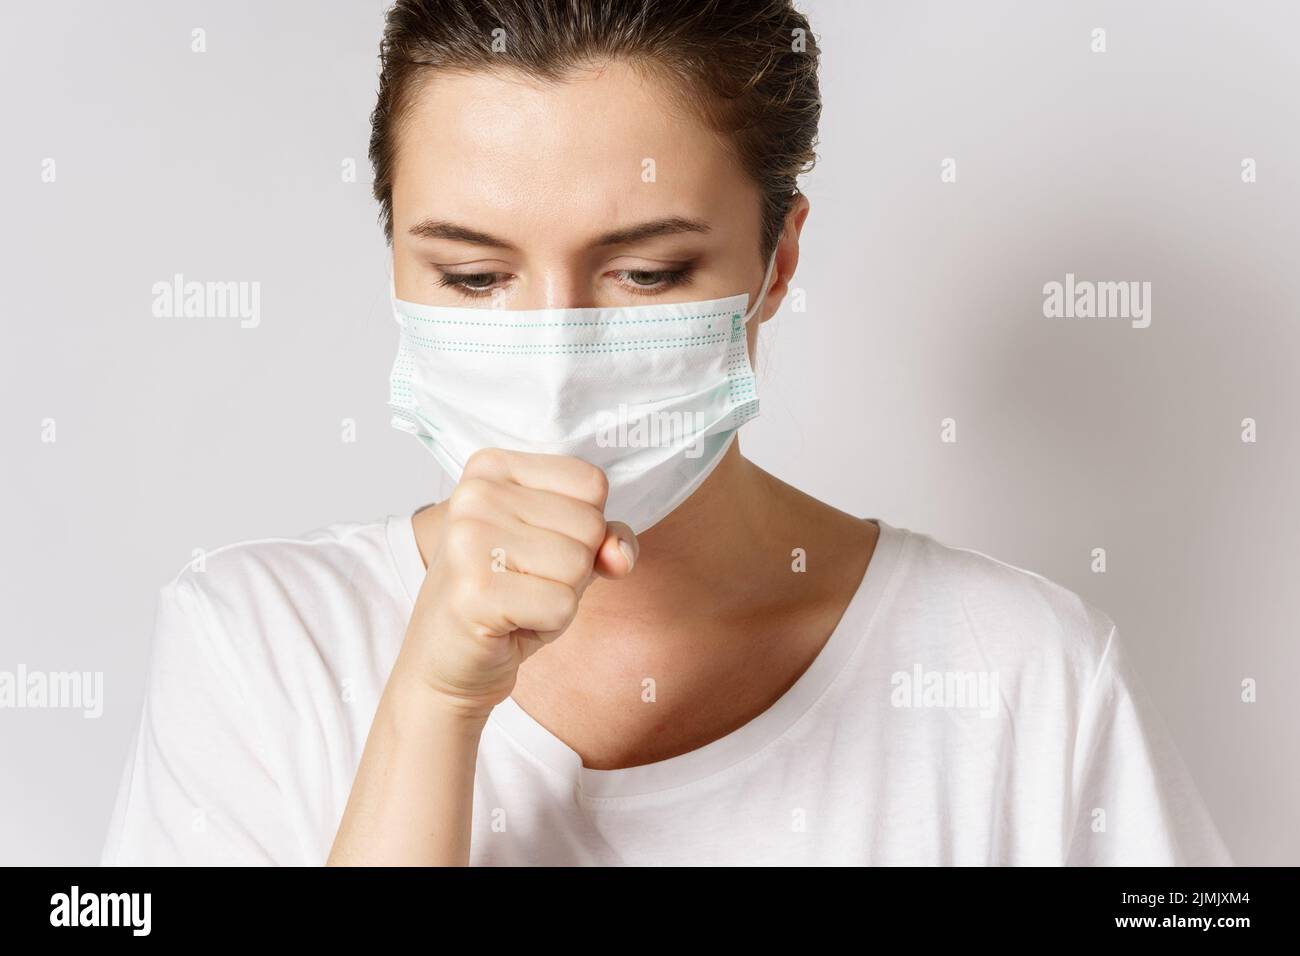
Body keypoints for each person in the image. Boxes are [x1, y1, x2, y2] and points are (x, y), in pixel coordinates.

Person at [101, 0, 1231, 866]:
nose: (552, 351)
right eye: (473, 273)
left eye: (646, 271)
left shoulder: (1023, 676)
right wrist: (435, 708)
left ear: (774, 263)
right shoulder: (257, 648)